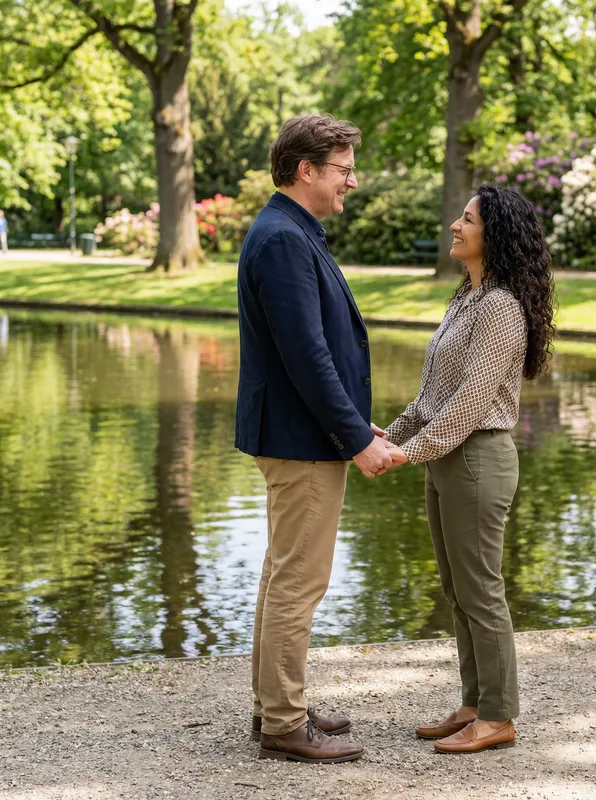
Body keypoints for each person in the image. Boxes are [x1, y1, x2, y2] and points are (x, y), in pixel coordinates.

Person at [235, 114, 392, 764]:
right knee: (298, 582)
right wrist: (356, 437)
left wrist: (357, 422)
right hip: (303, 441)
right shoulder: (282, 240)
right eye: (343, 168)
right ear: (307, 169)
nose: (350, 181)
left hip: (305, 435)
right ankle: (282, 724)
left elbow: (315, 348)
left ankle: (279, 708)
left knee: (284, 578)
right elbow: (307, 355)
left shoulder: (293, 232)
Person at [383, 184, 557, 754]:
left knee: (481, 592)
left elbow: (469, 404)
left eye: (467, 219)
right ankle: (474, 702)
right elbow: (434, 394)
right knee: (457, 591)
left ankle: (501, 715)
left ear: (494, 235)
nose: (455, 225)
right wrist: (387, 435)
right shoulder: (467, 298)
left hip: (477, 460)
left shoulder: (503, 308)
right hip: (447, 460)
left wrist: (408, 453)